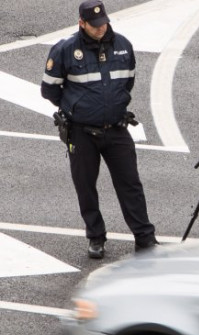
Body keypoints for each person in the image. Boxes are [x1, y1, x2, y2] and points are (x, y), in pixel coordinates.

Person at [41, 0, 158, 259]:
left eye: (103, 22)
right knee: (86, 187)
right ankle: (96, 238)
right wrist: (75, 107)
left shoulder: (123, 46)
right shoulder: (65, 50)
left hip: (116, 128)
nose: (100, 28)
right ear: (81, 23)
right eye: (94, 25)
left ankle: (145, 237)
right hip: (81, 133)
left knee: (130, 185)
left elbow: (127, 83)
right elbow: (49, 89)